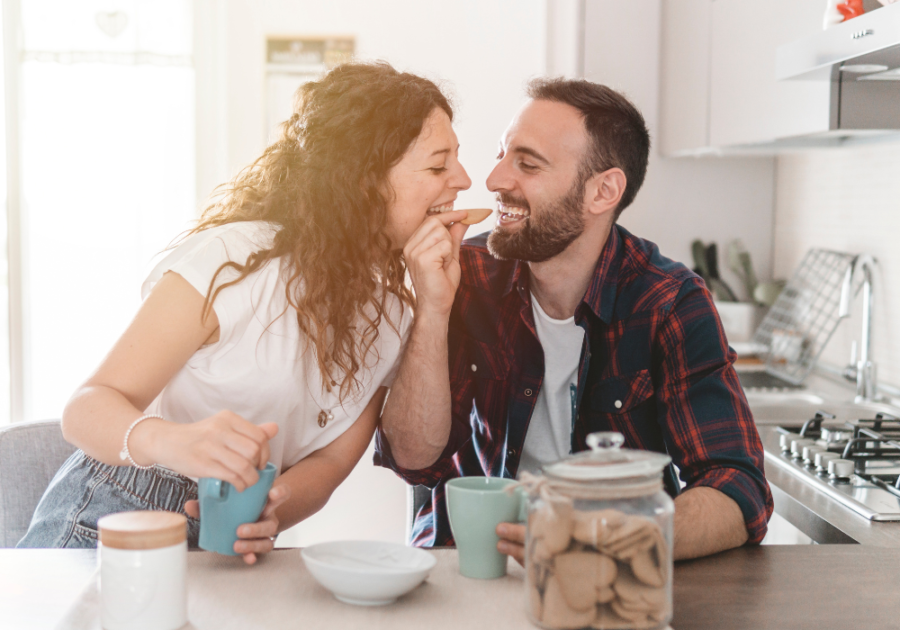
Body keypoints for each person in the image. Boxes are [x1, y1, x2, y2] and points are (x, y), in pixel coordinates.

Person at [18, 61, 472, 563]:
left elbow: (332, 461)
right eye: (438, 166)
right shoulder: (232, 260)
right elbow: (85, 409)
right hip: (110, 516)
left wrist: (271, 513)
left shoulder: (391, 316)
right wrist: (174, 442)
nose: (464, 179)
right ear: (364, 180)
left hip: (229, 543)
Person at [376, 78, 773, 562]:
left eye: (527, 163)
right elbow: (413, 459)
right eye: (502, 155)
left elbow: (738, 489)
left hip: (607, 580)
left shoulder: (668, 302)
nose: (495, 179)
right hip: (468, 565)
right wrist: (432, 309)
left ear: (603, 190)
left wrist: (611, 540)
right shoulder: (464, 277)